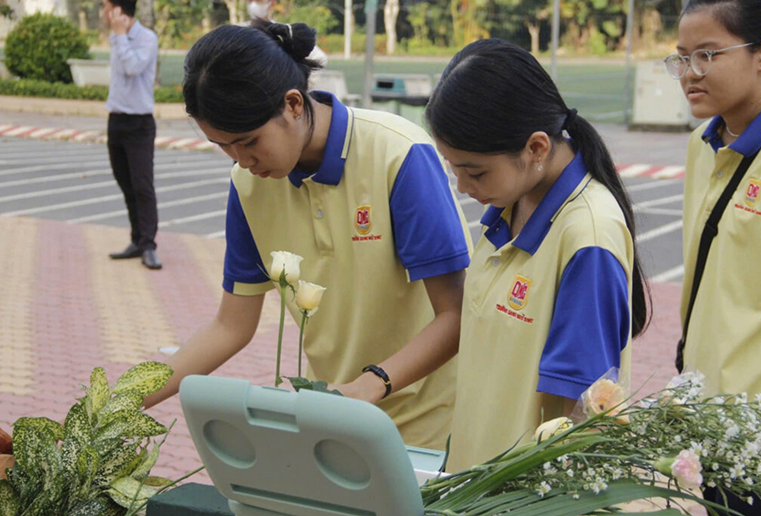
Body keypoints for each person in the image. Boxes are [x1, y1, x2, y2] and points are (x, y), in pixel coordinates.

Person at [143, 22, 471, 451]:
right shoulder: (248, 186)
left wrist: (372, 385)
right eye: (223, 145)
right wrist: (110, 409)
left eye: (248, 141)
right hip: (339, 421)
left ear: (293, 104)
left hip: (434, 428)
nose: (242, 161)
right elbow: (230, 326)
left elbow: (457, 315)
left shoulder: (397, 154)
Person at [424, 39, 650, 472]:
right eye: (453, 168)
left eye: (473, 171)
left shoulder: (588, 237)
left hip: (521, 494)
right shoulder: (510, 205)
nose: (462, 186)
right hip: (475, 481)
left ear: (537, 148)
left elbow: (582, 419)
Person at [666, 0, 761, 514]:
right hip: (702, 418)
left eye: (707, 55)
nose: (690, 73)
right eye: (682, 57)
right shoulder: (699, 144)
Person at [104, 0, 162, 270]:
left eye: (106, 6)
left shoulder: (146, 38)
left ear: (118, 10)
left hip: (139, 123)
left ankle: (149, 245)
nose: (103, 12)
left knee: (142, 186)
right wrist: (117, 37)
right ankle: (136, 239)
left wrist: (119, 37)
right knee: (125, 183)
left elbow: (132, 68)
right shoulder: (116, 37)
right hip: (116, 120)